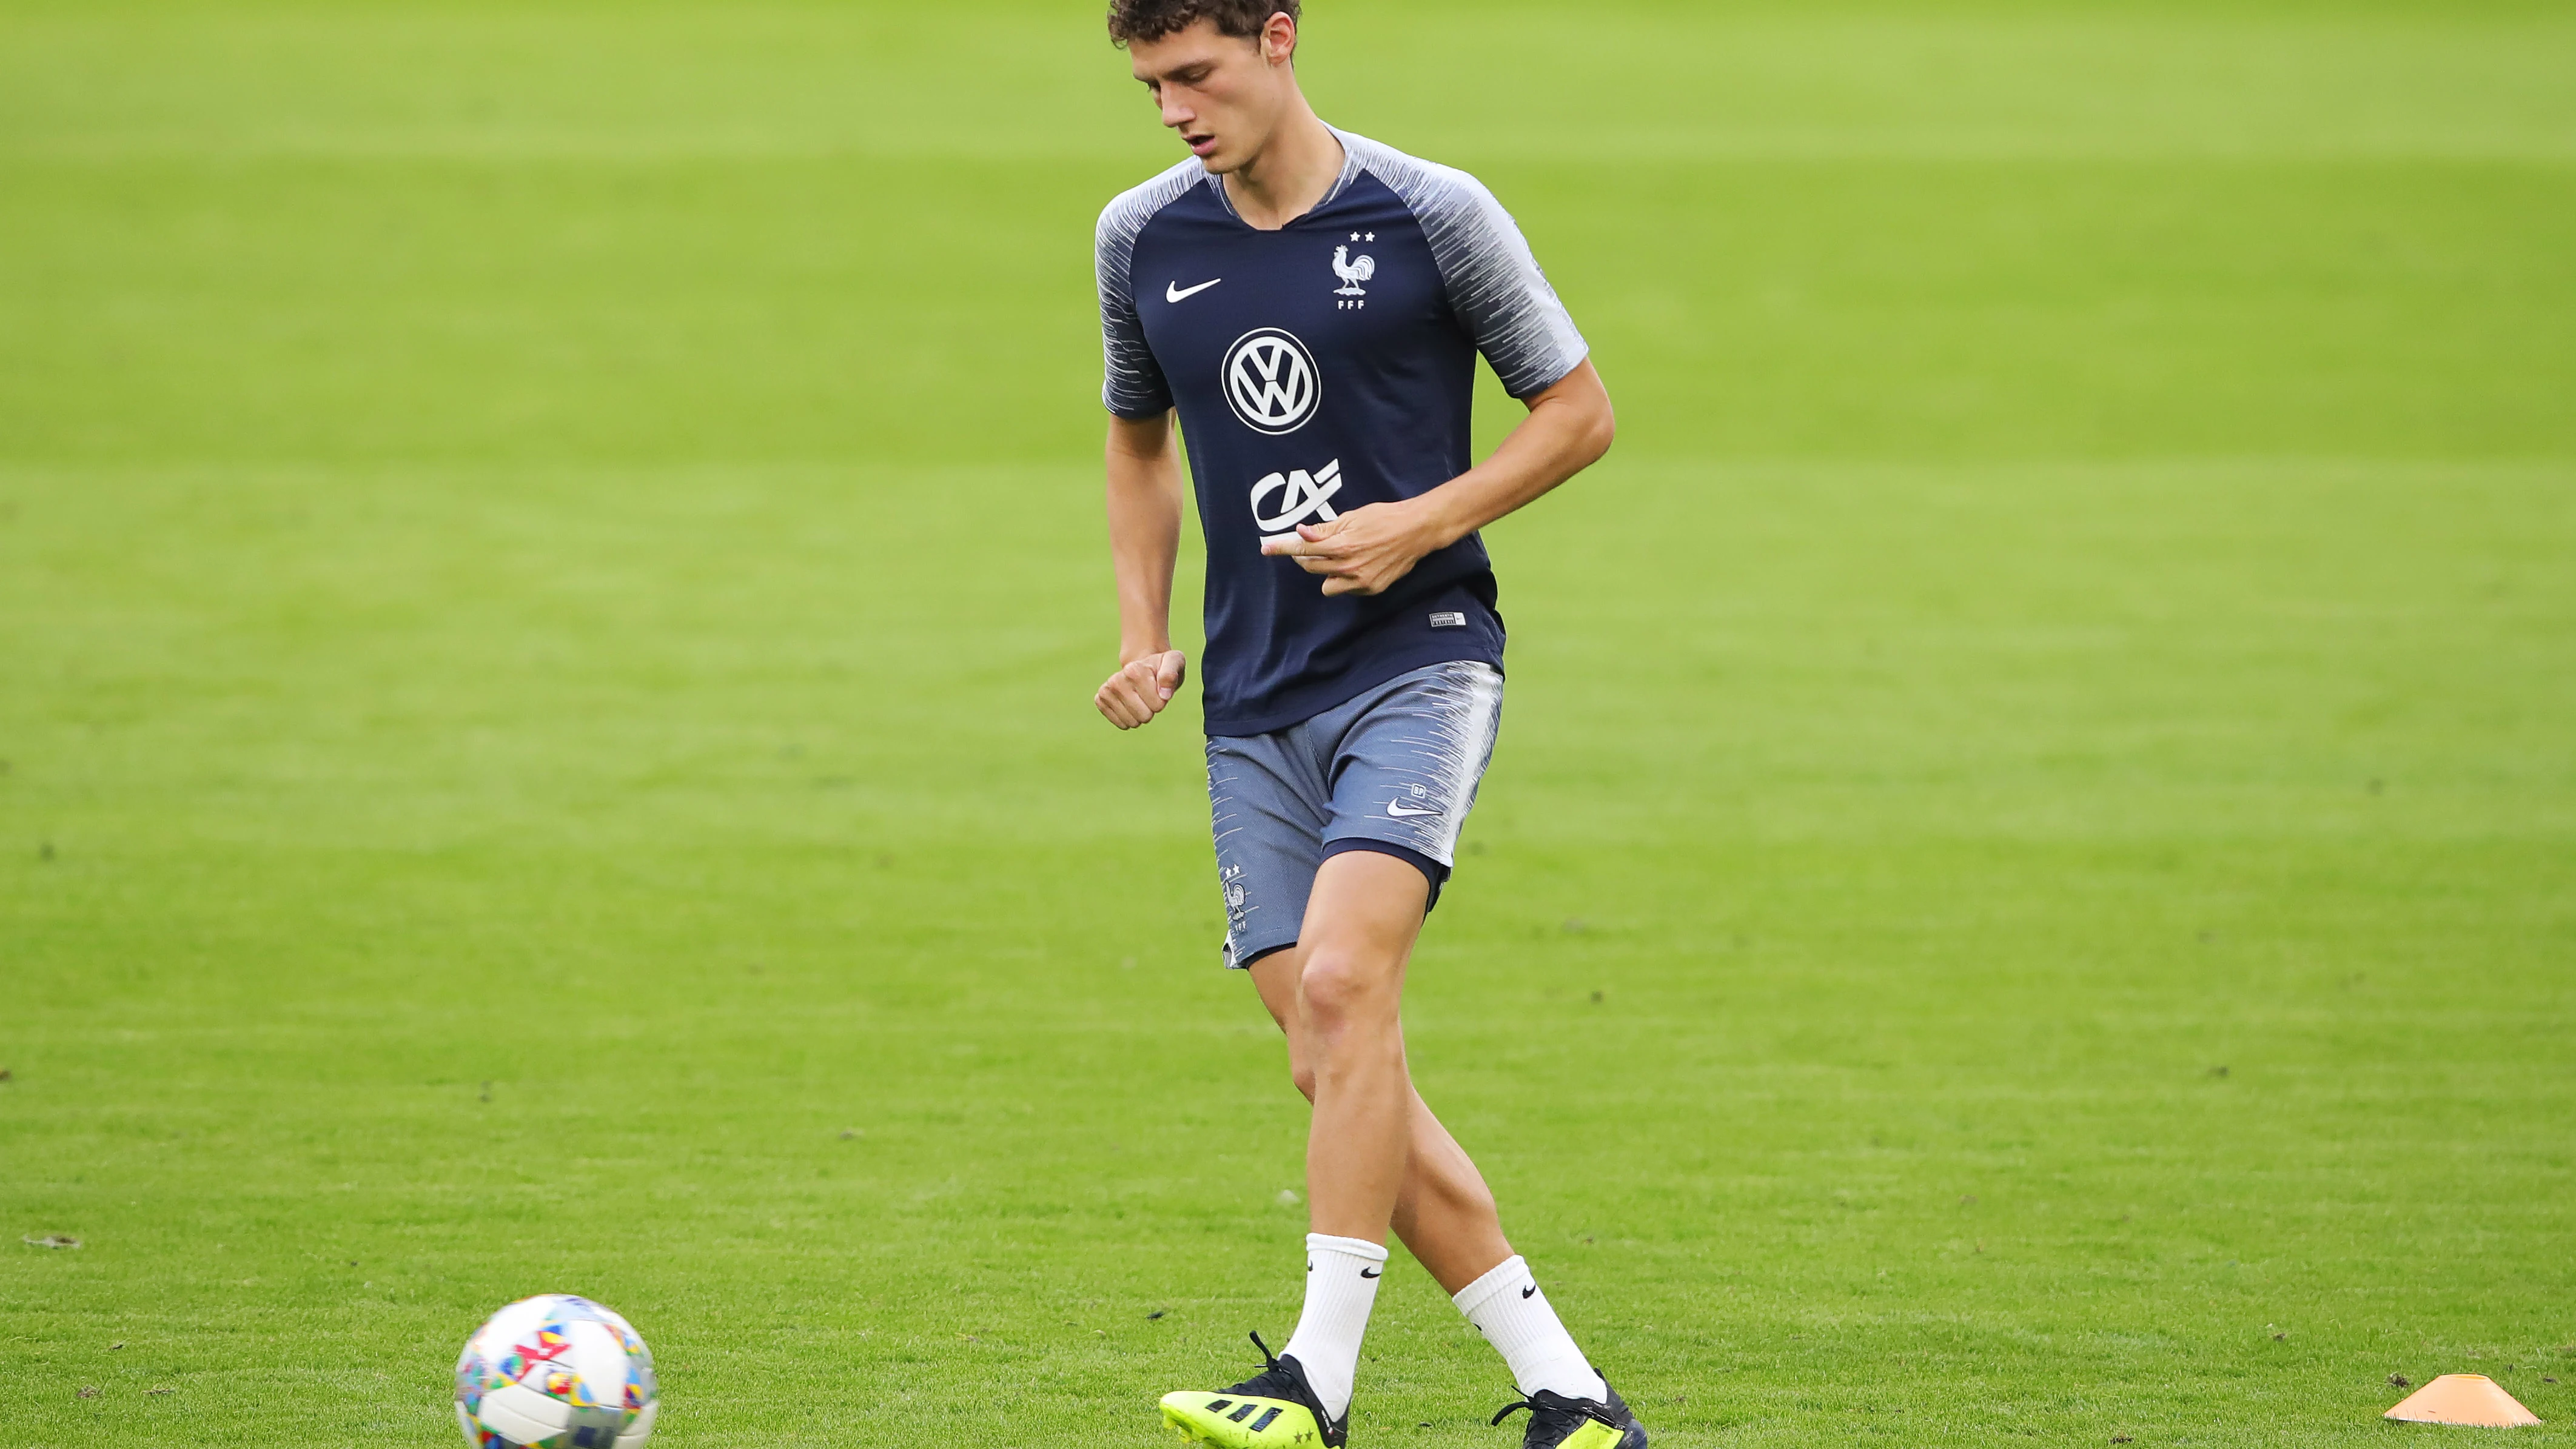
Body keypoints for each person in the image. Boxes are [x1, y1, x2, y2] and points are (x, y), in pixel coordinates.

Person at [1089, 4, 1636, 1446]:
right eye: (1150, 86)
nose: (1174, 112)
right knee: (1340, 1059)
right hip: (1249, 696)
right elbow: (1136, 444)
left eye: (1195, 75)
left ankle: (1314, 1384)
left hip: (1420, 660)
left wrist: (1424, 522)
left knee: (1343, 989)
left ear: (1278, 39)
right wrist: (1144, 639)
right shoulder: (1140, 238)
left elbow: (1578, 412)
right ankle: (1571, 1399)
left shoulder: (1431, 212)